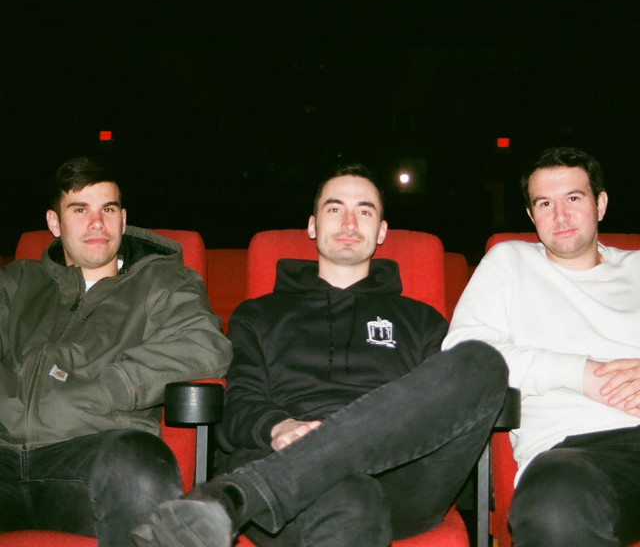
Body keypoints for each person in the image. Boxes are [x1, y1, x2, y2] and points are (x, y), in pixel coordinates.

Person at [133, 163, 507, 547]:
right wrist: (279, 427)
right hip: (281, 458)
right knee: (352, 497)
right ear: (312, 226)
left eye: (364, 211)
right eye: (335, 208)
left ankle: (241, 495)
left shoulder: (422, 320)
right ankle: (265, 486)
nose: (349, 223)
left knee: (482, 362)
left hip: (399, 480)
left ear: (382, 231)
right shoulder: (258, 315)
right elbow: (239, 400)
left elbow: (440, 406)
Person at [0, 156, 232, 546]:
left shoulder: (164, 282)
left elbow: (203, 344)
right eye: (80, 210)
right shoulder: (17, 282)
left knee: (140, 468)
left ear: (123, 220)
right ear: (54, 223)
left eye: (108, 210)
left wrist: (114, 386)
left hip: (93, 455)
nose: (97, 223)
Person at [444, 146, 640, 547]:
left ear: (601, 205)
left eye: (574, 198)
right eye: (544, 203)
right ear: (531, 216)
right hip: (576, 453)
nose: (560, 216)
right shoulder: (510, 262)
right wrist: (578, 373)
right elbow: (465, 355)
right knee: (553, 510)